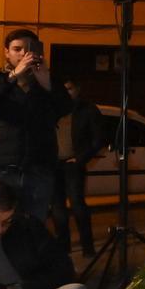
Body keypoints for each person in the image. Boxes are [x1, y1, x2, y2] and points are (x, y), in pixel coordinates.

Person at [0, 29, 72, 223]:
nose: (23, 54)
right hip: (0, 169)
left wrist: (46, 82)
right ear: (6, 52)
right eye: (17, 49)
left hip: (38, 168)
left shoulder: (49, 84)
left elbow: (66, 107)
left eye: (29, 49)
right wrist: (12, 76)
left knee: (33, 227)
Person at [50, 79, 103, 257]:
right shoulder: (54, 109)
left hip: (73, 165)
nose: (67, 93)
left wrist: (80, 159)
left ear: (78, 89)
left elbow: (98, 140)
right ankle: (63, 248)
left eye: (70, 89)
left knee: (78, 205)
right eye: (63, 89)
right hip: (54, 164)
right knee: (57, 208)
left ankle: (87, 247)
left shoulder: (87, 110)